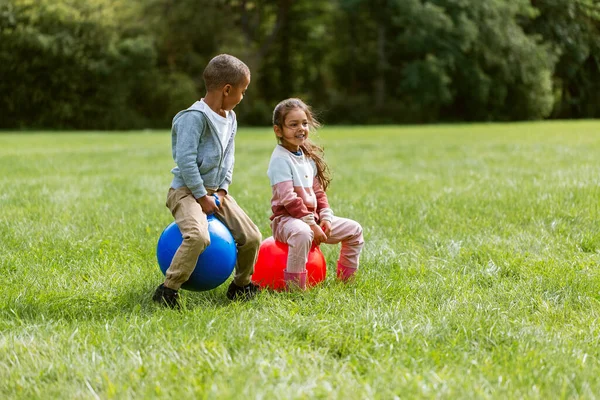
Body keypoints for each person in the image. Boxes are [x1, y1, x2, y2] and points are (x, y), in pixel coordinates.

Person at [153, 54, 262, 308]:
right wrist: (201, 196)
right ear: (227, 89)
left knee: (252, 236)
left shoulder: (230, 118)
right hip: (186, 191)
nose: (243, 97)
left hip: (215, 193)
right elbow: (186, 161)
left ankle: (240, 286)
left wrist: (222, 191)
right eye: (243, 91)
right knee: (199, 236)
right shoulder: (194, 118)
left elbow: (229, 159)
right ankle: (168, 290)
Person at [267, 98, 364, 290]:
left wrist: (326, 218)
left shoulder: (306, 156)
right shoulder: (279, 160)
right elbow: (288, 199)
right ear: (279, 130)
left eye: (304, 123)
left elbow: (318, 193)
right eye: (293, 125)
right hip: (286, 221)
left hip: (313, 219)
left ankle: (346, 282)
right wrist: (311, 225)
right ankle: (295, 290)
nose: (300, 128)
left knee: (354, 230)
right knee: (303, 234)